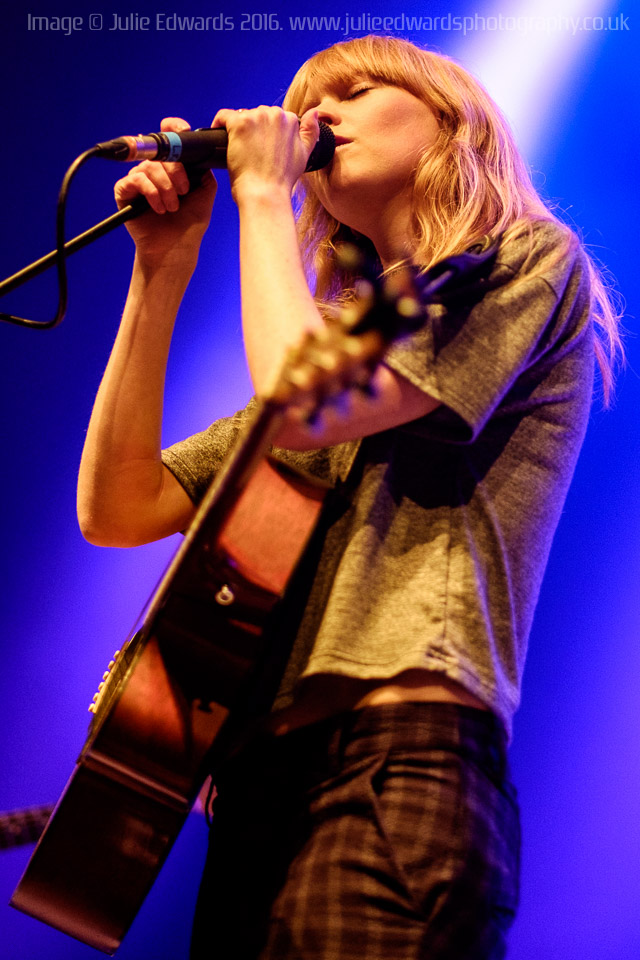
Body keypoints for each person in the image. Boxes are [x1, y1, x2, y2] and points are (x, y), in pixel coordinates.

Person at [77, 35, 621, 960]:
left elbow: (306, 406)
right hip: (257, 787)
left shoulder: (527, 257)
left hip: (394, 756)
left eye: (355, 91)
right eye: (305, 104)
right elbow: (119, 506)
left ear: (452, 120)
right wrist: (161, 268)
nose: (314, 118)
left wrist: (256, 193)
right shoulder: (355, 341)